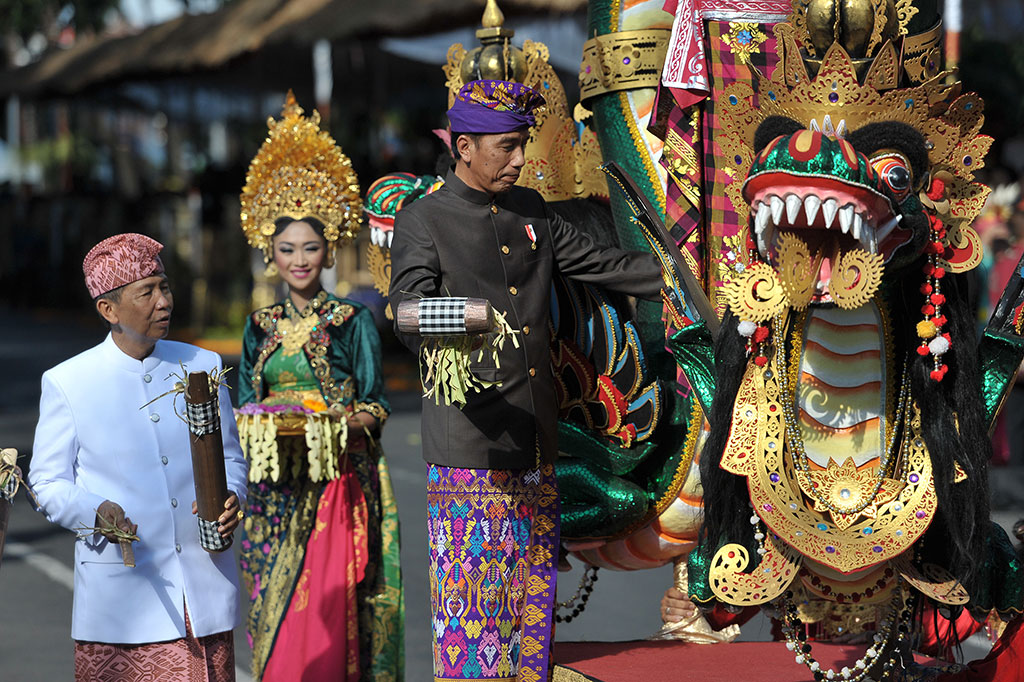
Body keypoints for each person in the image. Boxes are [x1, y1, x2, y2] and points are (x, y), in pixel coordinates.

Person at [389, 79, 663, 682]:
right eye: (505, 148)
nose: (518, 160)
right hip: (471, 448)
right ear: (463, 146)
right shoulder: (424, 221)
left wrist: (686, 274)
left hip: (537, 441)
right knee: (474, 621)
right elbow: (404, 312)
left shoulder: (531, 210)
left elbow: (607, 266)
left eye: (521, 146)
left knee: (529, 620)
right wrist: (467, 318)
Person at [236, 92, 402, 682]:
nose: (299, 260)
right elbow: (241, 406)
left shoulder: (353, 323)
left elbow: (377, 404)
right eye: (287, 250)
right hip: (272, 494)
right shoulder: (259, 327)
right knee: (274, 626)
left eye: (310, 248)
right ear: (270, 254)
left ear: (329, 249)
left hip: (335, 487)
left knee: (331, 620)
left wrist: (331, 423)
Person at [29, 232, 246, 681]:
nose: (163, 301)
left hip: (202, 596)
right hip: (121, 603)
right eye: (145, 292)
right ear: (108, 310)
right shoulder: (69, 381)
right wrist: (95, 510)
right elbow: (47, 483)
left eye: (164, 286)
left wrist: (233, 499)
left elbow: (232, 458)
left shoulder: (202, 365)